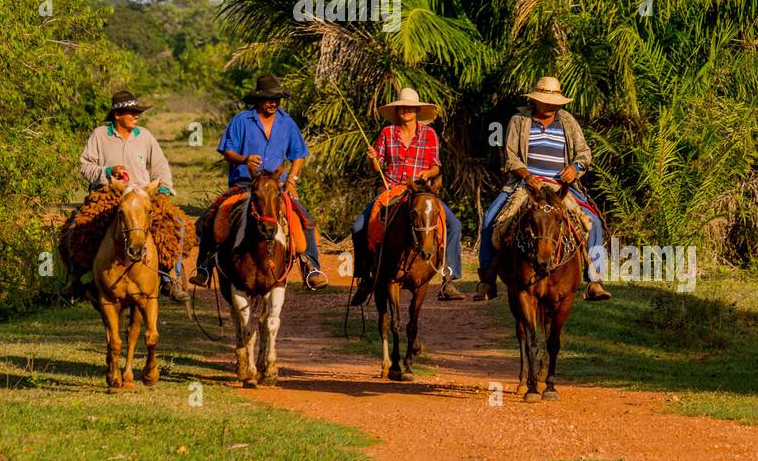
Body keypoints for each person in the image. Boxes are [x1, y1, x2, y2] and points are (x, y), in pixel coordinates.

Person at [476, 76, 611, 302]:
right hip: (527, 185)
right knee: (491, 218)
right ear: (535, 100)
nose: (549, 104)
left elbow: (584, 153)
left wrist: (575, 168)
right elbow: (511, 157)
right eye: (544, 99)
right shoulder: (520, 120)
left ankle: (594, 280)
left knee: (593, 221)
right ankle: (487, 279)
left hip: (561, 187)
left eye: (553, 100)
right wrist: (527, 176)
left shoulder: (567, 121)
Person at [203, 73, 327, 290]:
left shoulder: (287, 122)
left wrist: (292, 181)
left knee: (304, 219)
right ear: (258, 100)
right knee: (211, 215)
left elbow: (298, 155)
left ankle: (311, 267)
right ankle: (204, 266)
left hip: (275, 187)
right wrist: (245, 158)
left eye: (277, 98)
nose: (273, 102)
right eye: (269, 98)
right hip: (243, 184)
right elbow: (227, 152)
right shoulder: (241, 121)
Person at [70, 89, 190, 301]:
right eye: (131, 112)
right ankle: (79, 279)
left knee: (176, 226)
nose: (136, 116)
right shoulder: (100, 135)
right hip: (108, 194)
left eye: (137, 112)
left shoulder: (144, 136)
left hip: (142, 194)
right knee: (78, 226)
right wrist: (107, 171)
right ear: (117, 115)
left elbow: (160, 165)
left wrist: (163, 188)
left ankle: (170, 278)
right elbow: (84, 166)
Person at [350, 87, 465, 306]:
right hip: (392, 189)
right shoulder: (387, 133)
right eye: (402, 107)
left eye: (410, 107)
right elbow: (378, 167)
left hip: (421, 192)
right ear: (397, 110)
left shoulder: (429, 134)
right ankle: (365, 277)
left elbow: (435, 166)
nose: (406, 110)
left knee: (454, 225)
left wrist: (427, 174)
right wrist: (372, 158)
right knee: (358, 227)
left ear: (417, 110)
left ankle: (449, 278)